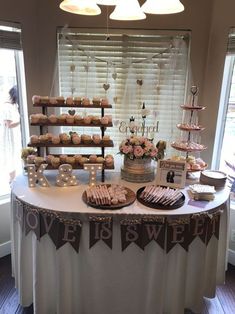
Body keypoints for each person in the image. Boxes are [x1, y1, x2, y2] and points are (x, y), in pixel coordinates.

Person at [0, 86, 22, 183]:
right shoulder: (7, 107)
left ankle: (13, 180)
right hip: (9, 137)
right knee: (10, 158)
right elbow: (9, 125)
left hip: (12, 136)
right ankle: (12, 181)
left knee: (12, 158)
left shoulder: (9, 106)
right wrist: (21, 122)